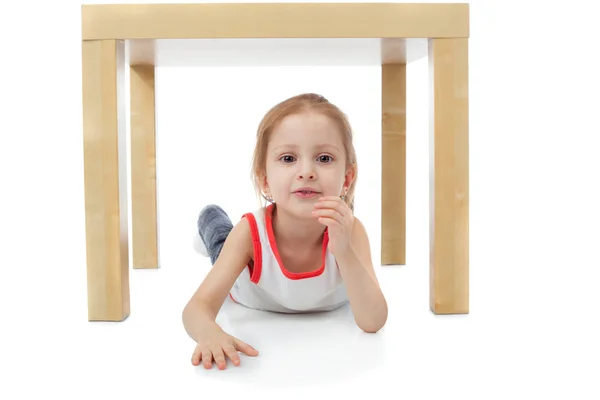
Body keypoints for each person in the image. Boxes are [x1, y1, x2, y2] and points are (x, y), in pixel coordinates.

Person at [182, 93, 388, 370]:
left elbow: (373, 321)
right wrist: (210, 333)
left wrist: (344, 251)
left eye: (324, 158)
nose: (307, 171)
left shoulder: (351, 233)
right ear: (265, 181)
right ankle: (211, 215)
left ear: (348, 178)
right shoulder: (248, 233)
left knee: (339, 212)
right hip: (245, 277)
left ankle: (334, 192)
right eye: (289, 158)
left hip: (338, 217)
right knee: (220, 238)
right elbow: (196, 308)